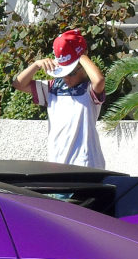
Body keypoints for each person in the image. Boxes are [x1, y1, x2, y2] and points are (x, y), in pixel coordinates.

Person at [12, 28, 106, 168]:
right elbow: (18, 84)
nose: (66, 77)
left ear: (82, 67)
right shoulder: (52, 88)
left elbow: (99, 81)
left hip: (86, 165)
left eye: (72, 72)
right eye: (63, 73)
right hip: (57, 164)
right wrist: (36, 65)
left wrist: (81, 56)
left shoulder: (90, 90)